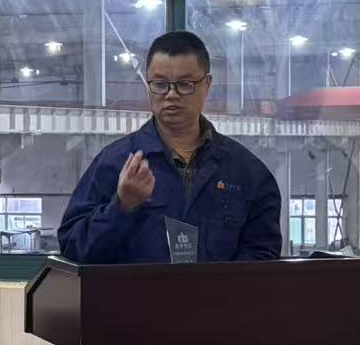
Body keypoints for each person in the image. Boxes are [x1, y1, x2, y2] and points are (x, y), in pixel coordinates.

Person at [57, 30, 283, 263]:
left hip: (219, 289)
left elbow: (263, 255)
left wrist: (219, 284)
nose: (171, 95)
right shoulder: (114, 164)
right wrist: (122, 206)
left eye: (185, 84)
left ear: (207, 84)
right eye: (160, 84)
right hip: (137, 289)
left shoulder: (247, 173)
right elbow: (73, 247)